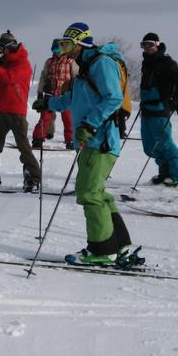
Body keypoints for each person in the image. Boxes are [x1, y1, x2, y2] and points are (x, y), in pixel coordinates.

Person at [43, 23, 136, 264]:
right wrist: (48, 104)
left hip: (100, 141)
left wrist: (90, 124)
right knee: (98, 193)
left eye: (68, 45)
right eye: (62, 44)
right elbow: (74, 99)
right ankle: (118, 244)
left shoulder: (101, 63)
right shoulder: (85, 68)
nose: (65, 50)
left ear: (81, 44)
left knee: (89, 193)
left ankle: (102, 251)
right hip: (93, 140)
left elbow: (113, 97)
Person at [0, 31, 43, 191]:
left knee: (23, 147)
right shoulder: (3, 62)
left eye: (1, 48)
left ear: (9, 47)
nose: (0, 52)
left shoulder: (23, 64)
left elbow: (9, 78)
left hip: (17, 113)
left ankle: (33, 178)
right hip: (1, 111)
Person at [138, 33, 178, 186]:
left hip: (160, 107)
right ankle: (165, 173)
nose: (147, 48)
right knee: (150, 145)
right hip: (146, 108)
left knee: (164, 143)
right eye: (144, 45)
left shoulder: (167, 62)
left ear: (158, 45)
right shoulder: (146, 63)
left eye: (150, 45)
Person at [31, 48, 78, 150]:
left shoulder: (71, 62)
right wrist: (40, 91)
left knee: (68, 119)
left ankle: (70, 140)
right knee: (44, 118)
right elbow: (44, 76)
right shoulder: (49, 62)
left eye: (58, 50)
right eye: (54, 50)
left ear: (64, 50)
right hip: (50, 94)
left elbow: (76, 77)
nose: (56, 52)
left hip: (65, 95)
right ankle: (38, 139)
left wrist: (75, 91)